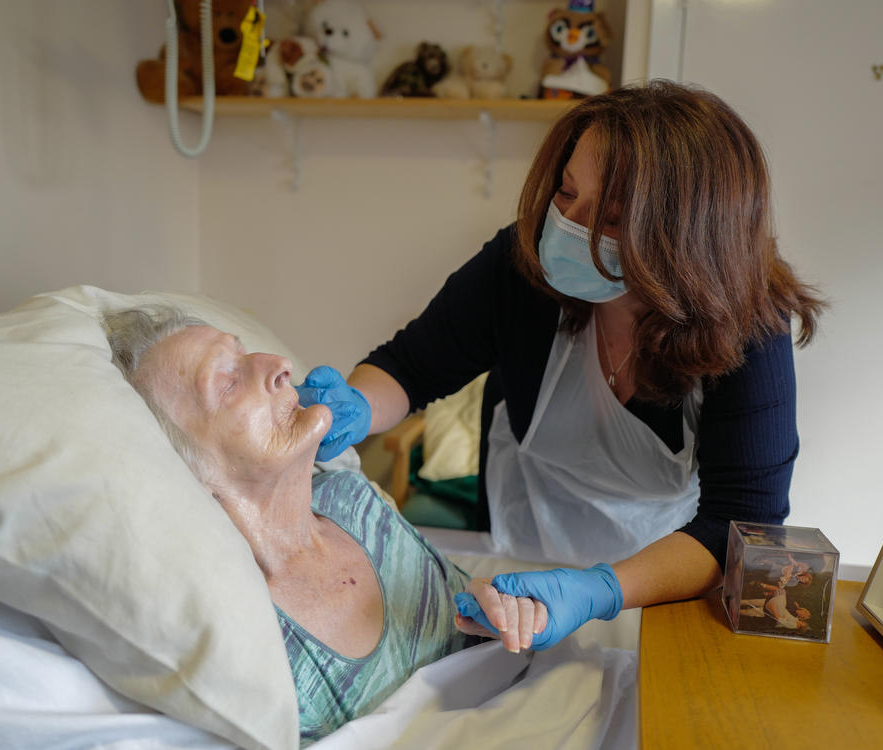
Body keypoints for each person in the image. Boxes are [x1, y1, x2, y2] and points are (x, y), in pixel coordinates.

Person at [296, 80, 825, 648]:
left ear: (685, 244)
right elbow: (409, 368)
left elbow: (742, 523)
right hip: (526, 514)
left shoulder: (749, 320)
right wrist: (358, 405)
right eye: (567, 193)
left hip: (665, 555)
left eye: (613, 220)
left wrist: (601, 589)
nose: (570, 228)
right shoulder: (520, 264)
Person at [102, 306, 547, 744]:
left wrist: (504, 614)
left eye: (245, 353)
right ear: (187, 469)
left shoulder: (354, 500)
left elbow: (476, 638)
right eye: (229, 382)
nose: (280, 366)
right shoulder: (234, 624)